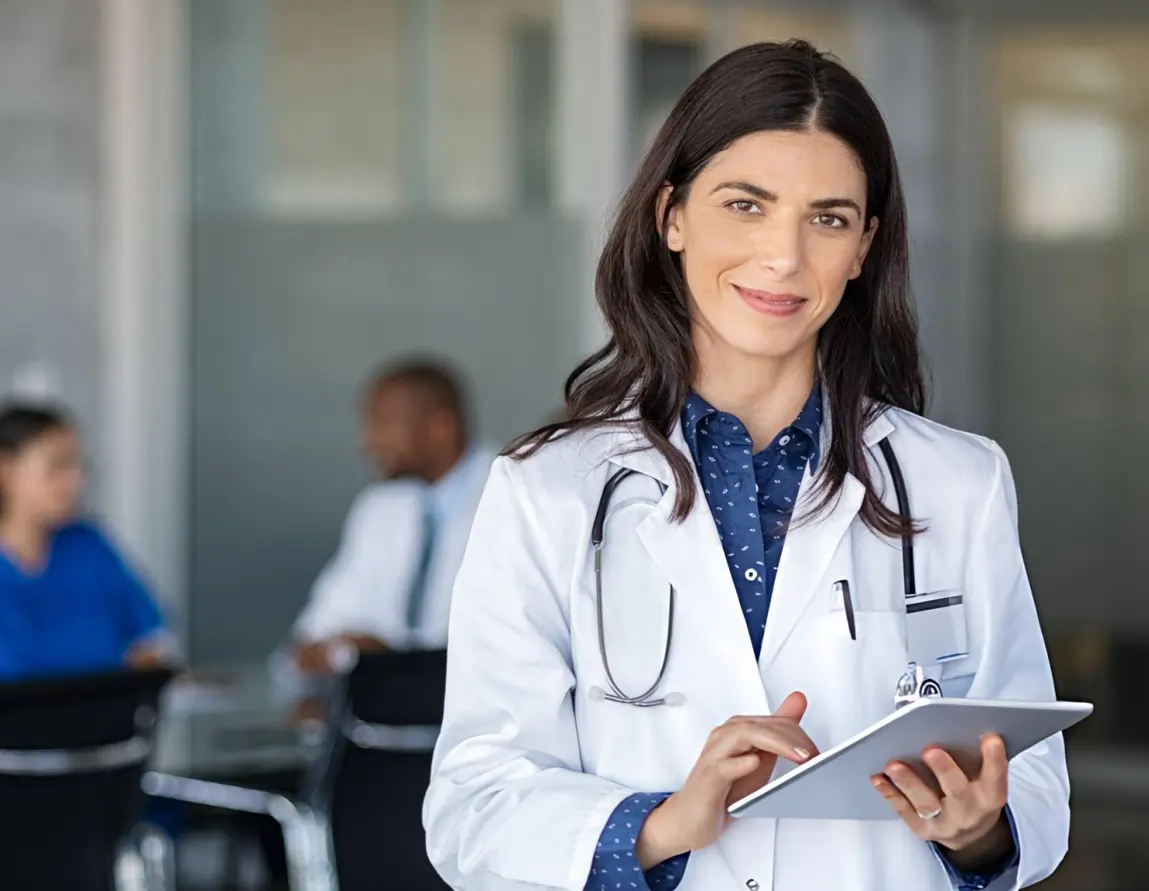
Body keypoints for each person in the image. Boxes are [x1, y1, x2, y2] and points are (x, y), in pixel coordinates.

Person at [423, 41, 1068, 891]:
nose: (785, 257)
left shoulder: (959, 484)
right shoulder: (547, 492)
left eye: (828, 218)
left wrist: (979, 829)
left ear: (864, 246)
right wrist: (658, 824)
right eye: (747, 204)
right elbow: (472, 805)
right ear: (673, 216)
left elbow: (1038, 787)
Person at [0, 401, 173, 697]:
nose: (76, 481)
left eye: (79, 466)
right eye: (58, 466)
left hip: (103, 738)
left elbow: (150, 643)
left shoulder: (91, 549)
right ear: (2, 469)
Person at [274, 358, 493, 684]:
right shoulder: (379, 508)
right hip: (377, 721)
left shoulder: (511, 500)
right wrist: (327, 650)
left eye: (385, 425)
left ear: (440, 428)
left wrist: (388, 658)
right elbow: (313, 634)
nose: (369, 442)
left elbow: (493, 649)